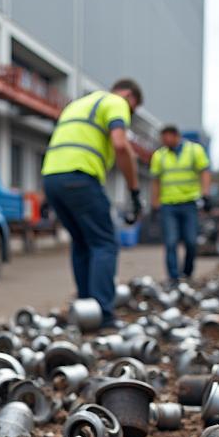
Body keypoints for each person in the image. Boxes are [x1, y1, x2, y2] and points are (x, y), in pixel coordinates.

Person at [41, 79, 143, 328]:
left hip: (52, 178)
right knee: (104, 242)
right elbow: (120, 145)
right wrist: (134, 191)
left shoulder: (77, 105)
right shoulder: (115, 102)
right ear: (129, 96)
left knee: (82, 242)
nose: (129, 114)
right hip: (80, 177)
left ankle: (86, 309)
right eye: (133, 110)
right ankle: (104, 314)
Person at [149, 125, 211, 285]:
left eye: (167, 138)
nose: (164, 141)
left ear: (176, 136)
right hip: (168, 205)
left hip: (189, 204)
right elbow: (155, 181)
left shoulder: (194, 150)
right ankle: (173, 277)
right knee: (171, 242)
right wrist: (154, 204)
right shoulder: (159, 155)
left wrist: (205, 194)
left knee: (191, 241)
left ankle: (187, 273)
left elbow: (204, 171)